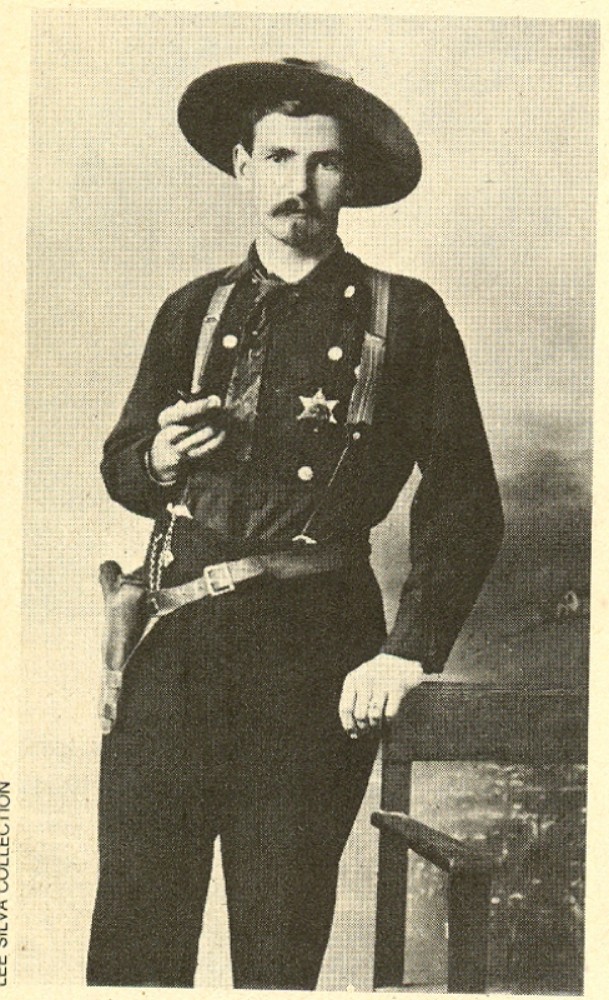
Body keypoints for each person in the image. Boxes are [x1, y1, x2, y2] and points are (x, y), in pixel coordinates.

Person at [86, 58, 504, 989]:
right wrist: (160, 458)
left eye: (323, 162)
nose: (298, 184)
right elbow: (122, 465)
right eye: (277, 158)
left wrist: (407, 650)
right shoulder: (192, 308)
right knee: (135, 936)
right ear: (242, 166)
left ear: (350, 178)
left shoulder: (408, 315)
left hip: (313, 654)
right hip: (170, 648)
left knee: (278, 944)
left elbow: (465, 498)